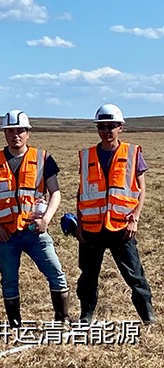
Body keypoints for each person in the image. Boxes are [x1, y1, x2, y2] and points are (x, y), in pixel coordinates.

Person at [0, 110, 70, 326]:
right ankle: (14, 324)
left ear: (28, 133)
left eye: (20, 130)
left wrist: (46, 219)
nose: (15, 135)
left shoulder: (43, 158)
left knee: (56, 273)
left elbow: (55, 192)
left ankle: (63, 318)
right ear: (5, 133)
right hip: (4, 235)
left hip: (34, 231)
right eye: (10, 131)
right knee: (9, 281)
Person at [76, 103, 155, 324]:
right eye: (101, 126)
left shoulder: (132, 153)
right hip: (92, 227)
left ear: (121, 127)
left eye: (111, 126)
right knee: (88, 276)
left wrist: (135, 218)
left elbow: (141, 189)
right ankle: (86, 315)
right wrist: (80, 224)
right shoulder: (87, 155)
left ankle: (147, 316)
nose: (106, 131)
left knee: (134, 275)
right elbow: (81, 192)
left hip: (122, 226)